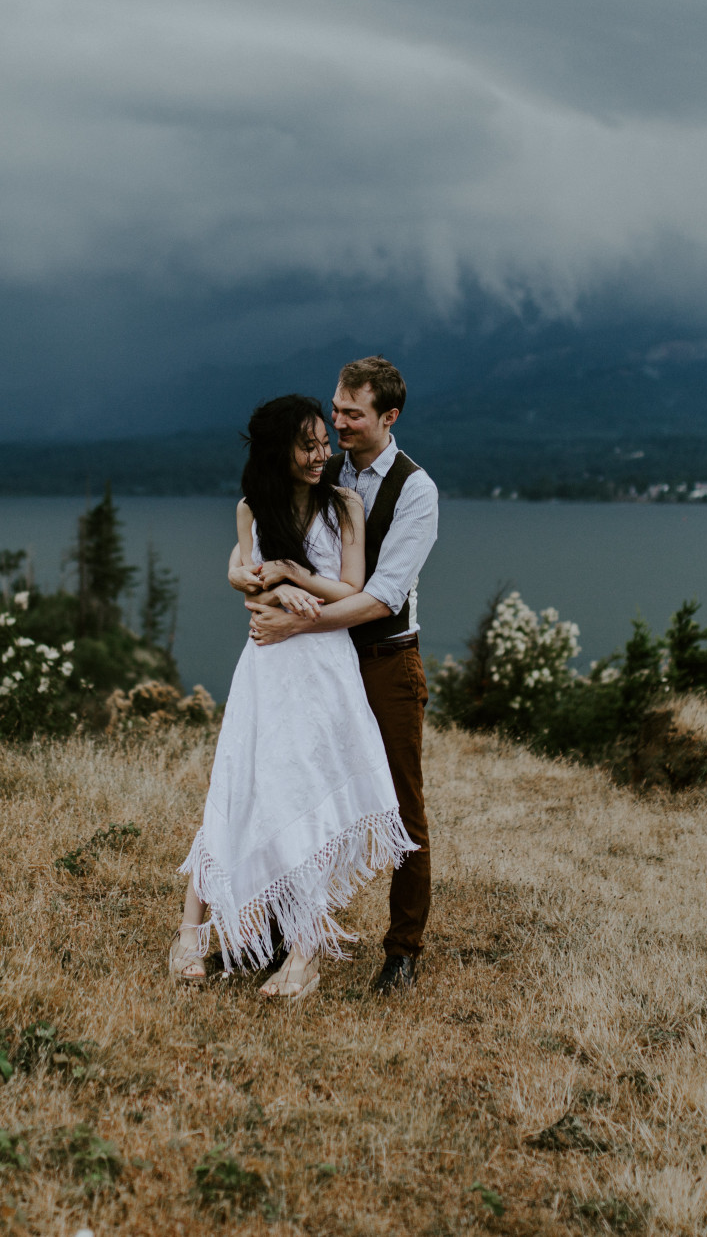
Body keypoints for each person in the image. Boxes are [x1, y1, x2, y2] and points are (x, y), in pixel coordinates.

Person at [169, 393, 418, 999]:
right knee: (238, 785)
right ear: (281, 451)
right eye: (308, 445)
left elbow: (351, 587)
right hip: (267, 666)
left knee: (309, 794)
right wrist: (269, 588)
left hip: (327, 668)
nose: (321, 454)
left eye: (324, 443)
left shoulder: (345, 504)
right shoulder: (252, 509)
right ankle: (189, 934)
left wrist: (294, 578)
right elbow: (249, 582)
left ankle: (304, 955)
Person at [242, 357, 439, 995]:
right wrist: (255, 585)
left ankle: (403, 950)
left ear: (389, 417)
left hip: (383, 662)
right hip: (321, 669)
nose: (337, 424)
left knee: (401, 808)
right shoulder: (323, 468)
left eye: (352, 414)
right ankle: (280, 933)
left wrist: (297, 621)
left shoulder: (416, 491)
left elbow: (381, 598)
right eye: (336, 410)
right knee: (295, 792)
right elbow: (265, 545)